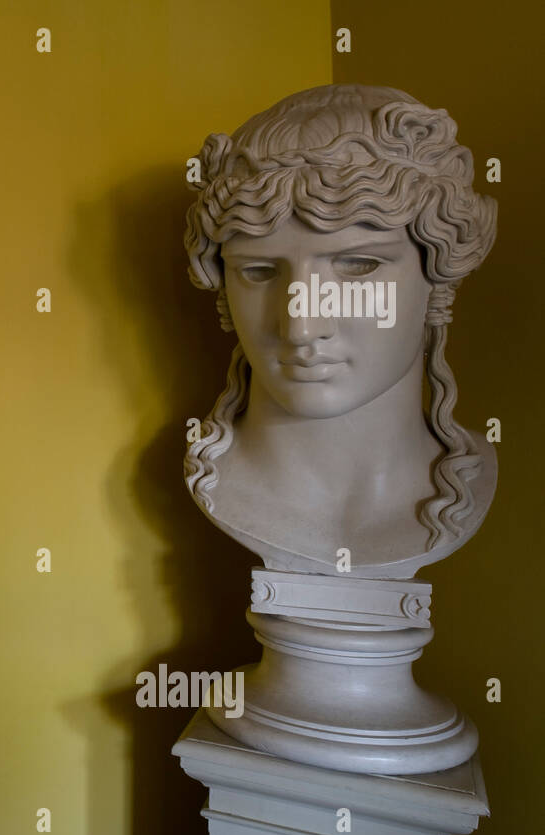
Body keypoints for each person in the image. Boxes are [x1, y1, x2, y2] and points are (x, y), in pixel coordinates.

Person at [182, 85, 498, 577]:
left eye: (358, 266)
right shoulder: (211, 476)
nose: (301, 325)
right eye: (260, 272)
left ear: (438, 278)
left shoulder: (472, 476)